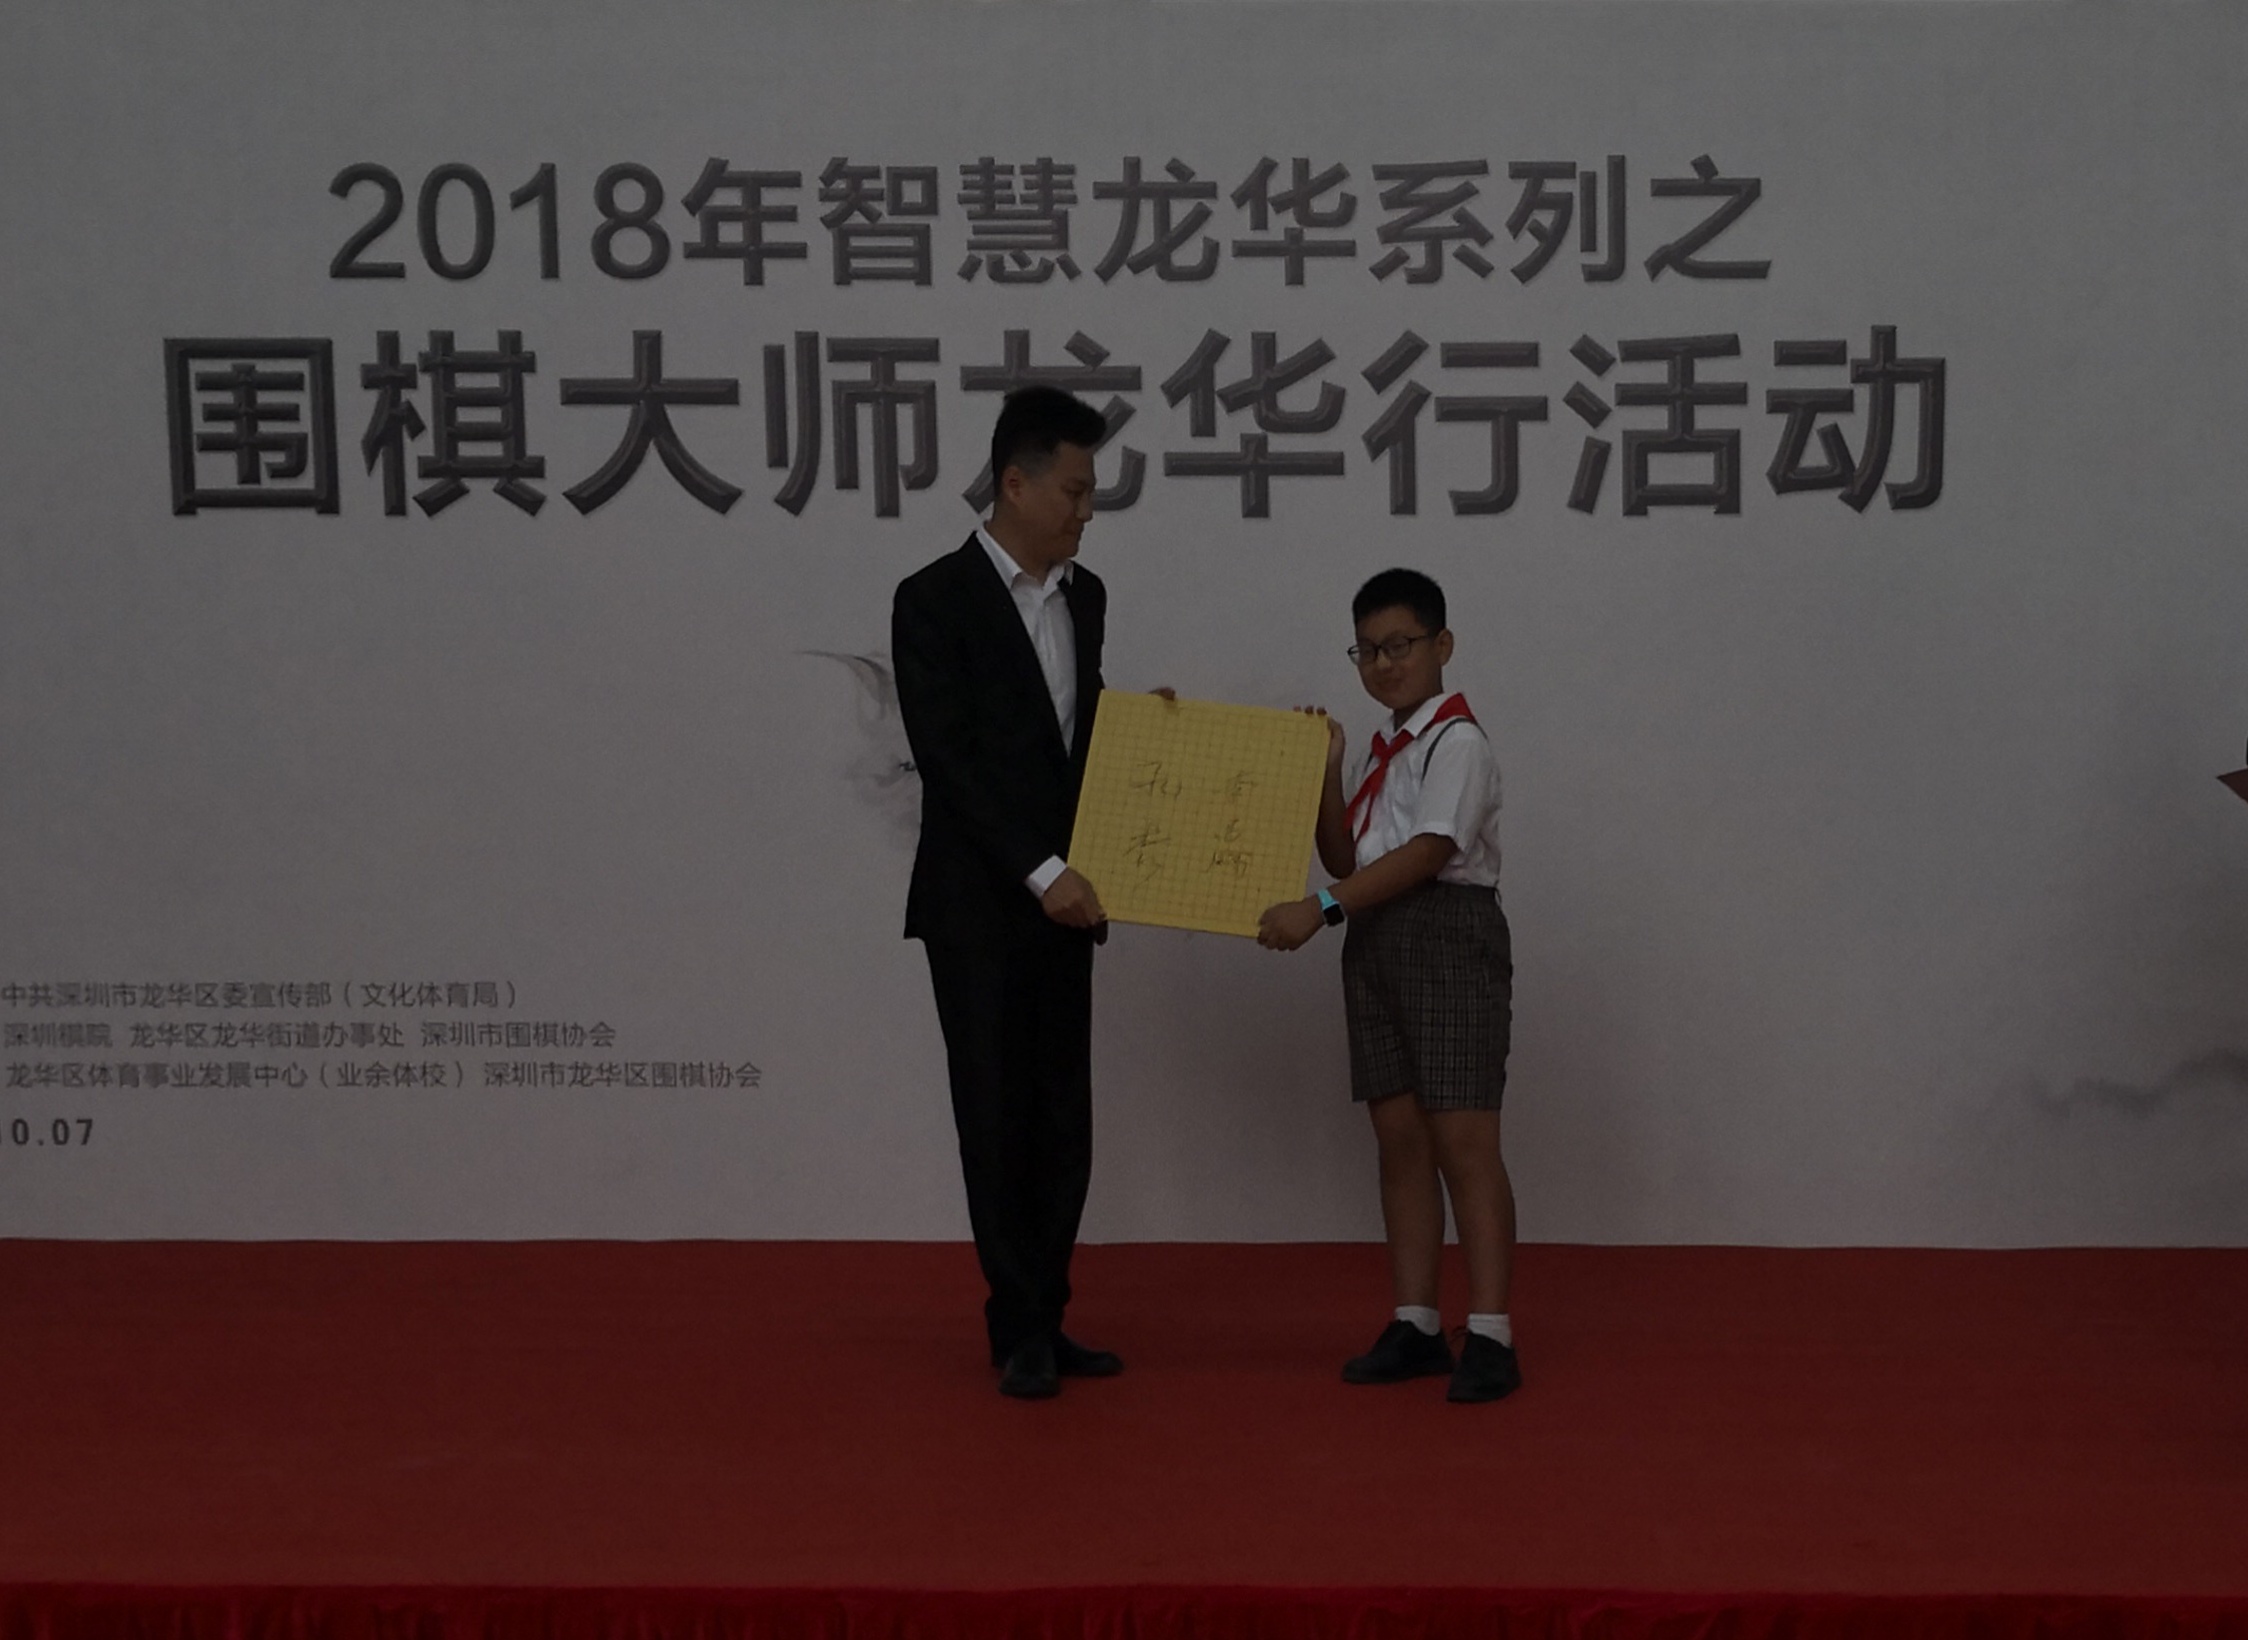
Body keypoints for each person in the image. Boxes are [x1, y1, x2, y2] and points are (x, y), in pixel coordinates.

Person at [891, 386, 1124, 1401]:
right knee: (996, 1116)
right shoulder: (932, 598)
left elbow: (1082, 732)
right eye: (1074, 490)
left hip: (1070, 902)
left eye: (1092, 491)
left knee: (1063, 1118)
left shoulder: (1087, 596)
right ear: (1016, 483)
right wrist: (1042, 871)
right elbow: (950, 762)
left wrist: (1150, 739)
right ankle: (1017, 1323)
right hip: (981, 905)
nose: (1086, 510)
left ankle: (1049, 1315)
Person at [1256, 568, 1521, 1403]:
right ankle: (1415, 1321)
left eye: (1399, 646)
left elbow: (1429, 853)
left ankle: (1490, 1332)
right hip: (1375, 937)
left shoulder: (1457, 741)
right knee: (1400, 1138)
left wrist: (1319, 909)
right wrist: (1325, 771)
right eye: (1367, 651)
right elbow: (1348, 855)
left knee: (1464, 1141)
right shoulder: (1385, 745)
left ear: (1443, 645)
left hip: (1445, 935)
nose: (1383, 664)